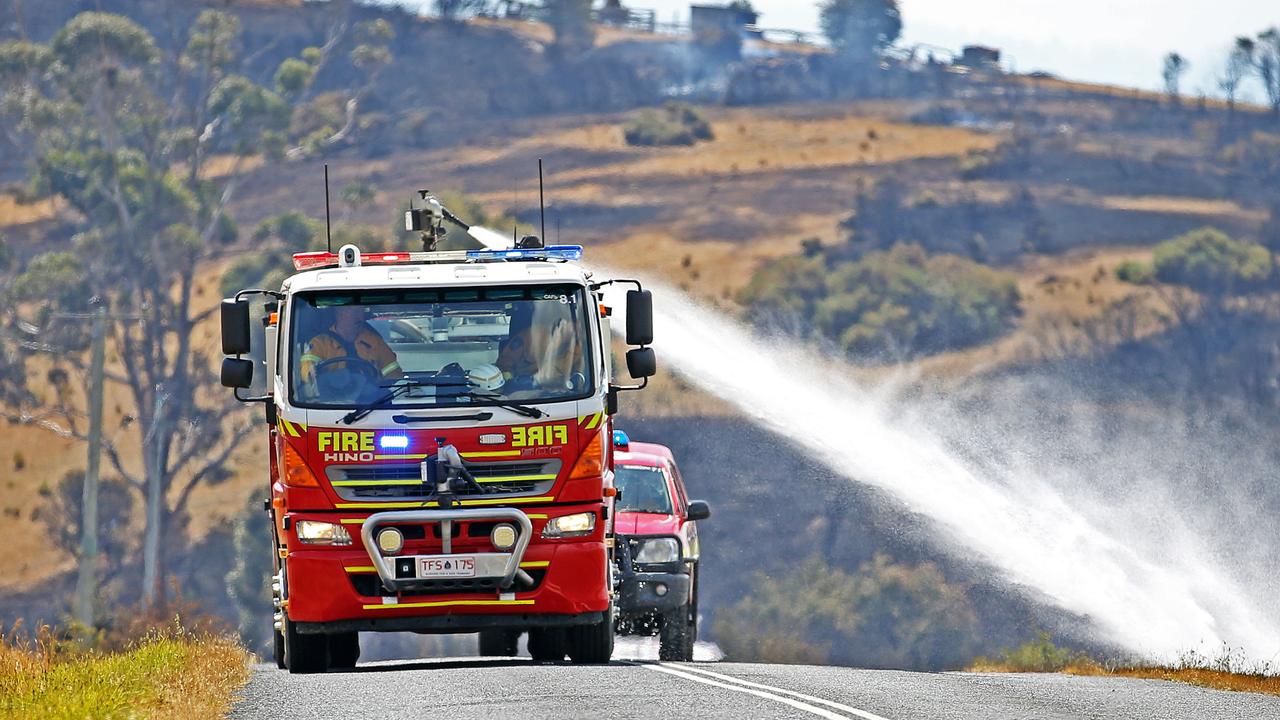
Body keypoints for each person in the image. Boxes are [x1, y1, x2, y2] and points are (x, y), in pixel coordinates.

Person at [299, 306, 403, 396]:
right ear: (339, 313)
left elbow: (394, 375)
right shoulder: (319, 343)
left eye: (361, 312)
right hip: (331, 401)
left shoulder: (375, 342)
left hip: (371, 402)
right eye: (355, 312)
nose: (360, 318)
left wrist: (386, 391)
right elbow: (307, 375)